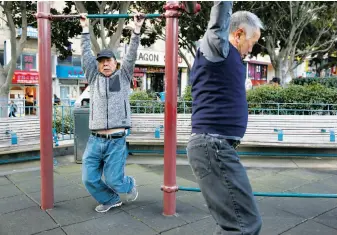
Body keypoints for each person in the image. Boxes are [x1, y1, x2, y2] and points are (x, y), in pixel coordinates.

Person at [187, 2, 263, 234]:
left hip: (217, 147)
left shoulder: (229, 59)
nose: (252, 49)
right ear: (239, 33)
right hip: (213, 146)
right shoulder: (217, 47)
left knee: (236, 224)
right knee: (245, 224)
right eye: (253, 42)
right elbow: (220, 12)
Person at [80, 12, 145, 213]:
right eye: (102, 61)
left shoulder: (123, 76)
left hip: (116, 140)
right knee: (88, 178)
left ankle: (128, 184)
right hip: (95, 140)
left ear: (115, 62)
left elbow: (132, 54)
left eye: (109, 60)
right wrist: (84, 29)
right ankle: (110, 199)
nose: (105, 64)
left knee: (115, 179)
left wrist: (136, 30)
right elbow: (86, 55)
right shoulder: (94, 77)